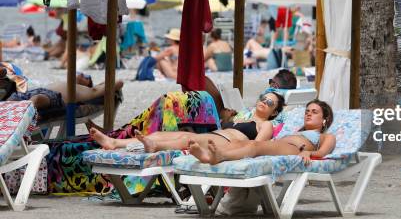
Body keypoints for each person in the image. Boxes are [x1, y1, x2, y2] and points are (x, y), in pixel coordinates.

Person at [89, 92, 285, 153]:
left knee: (185, 140)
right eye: (262, 97)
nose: (263, 102)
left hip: (227, 144)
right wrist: (227, 120)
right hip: (216, 136)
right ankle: (114, 143)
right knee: (162, 133)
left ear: (274, 111)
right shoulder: (243, 116)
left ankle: (155, 146)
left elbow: (257, 146)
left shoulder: (266, 125)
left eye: (269, 102)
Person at [190, 99, 335, 166]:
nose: (308, 114)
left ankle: (221, 155)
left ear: (325, 119)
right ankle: (209, 156)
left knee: (255, 146)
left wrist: (309, 153)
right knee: (237, 142)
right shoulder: (296, 131)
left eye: (314, 112)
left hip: (294, 150)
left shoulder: (327, 136)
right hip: (280, 146)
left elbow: (322, 152)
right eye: (307, 111)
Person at [0, 65, 121, 110]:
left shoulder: (88, 91)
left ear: (88, 83)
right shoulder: (69, 83)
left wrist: (101, 86)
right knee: (9, 102)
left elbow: (118, 82)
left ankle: (23, 118)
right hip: (32, 92)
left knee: (36, 99)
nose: (80, 75)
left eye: (85, 76)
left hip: (52, 97)